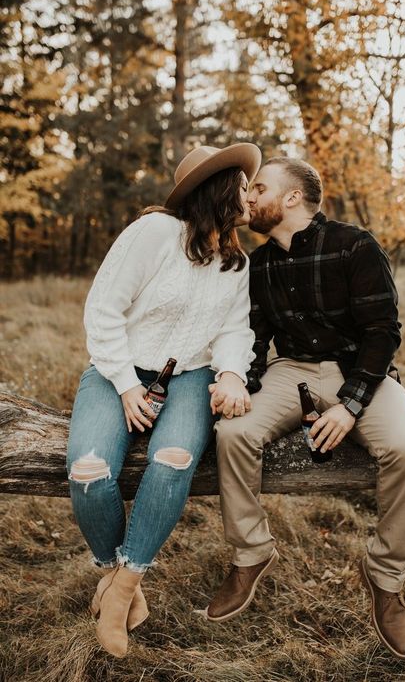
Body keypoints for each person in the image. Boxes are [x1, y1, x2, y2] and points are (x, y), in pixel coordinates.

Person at [206, 156, 405, 660]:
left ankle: (387, 578)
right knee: (233, 434)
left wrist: (349, 407)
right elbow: (254, 340)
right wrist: (241, 383)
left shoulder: (355, 245)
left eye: (258, 188)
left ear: (291, 199)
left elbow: (382, 333)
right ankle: (250, 554)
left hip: (359, 370)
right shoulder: (256, 265)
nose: (249, 198)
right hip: (291, 371)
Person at [66, 143, 260, 658]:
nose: (249, 195)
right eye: (242, 186)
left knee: (172, 461)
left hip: (192, 376)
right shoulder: (153, 233)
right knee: (88, 471)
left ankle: (123, 589)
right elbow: (103, 309)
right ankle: (110, 570)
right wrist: (128, 385)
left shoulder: (236, 262)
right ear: (217, 189)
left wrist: (233, 374)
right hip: (118, 368)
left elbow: (235, 330)